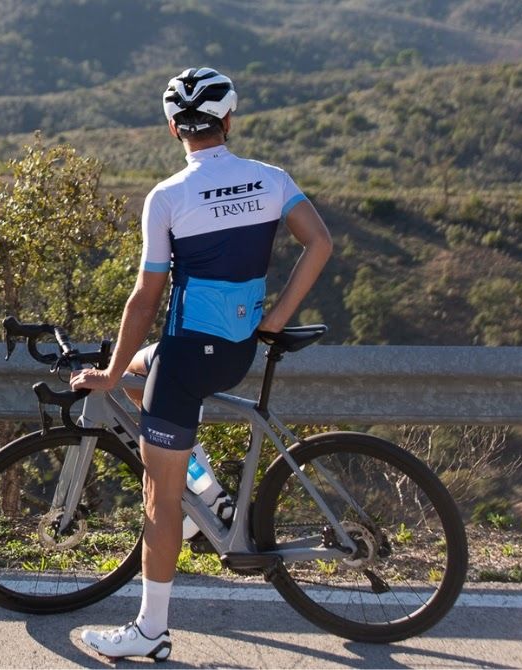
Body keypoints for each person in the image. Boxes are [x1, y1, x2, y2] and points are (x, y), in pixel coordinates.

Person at [69, 67, 332, 661]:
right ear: (228, 120)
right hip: (236, 352)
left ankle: (150, 631)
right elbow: (321, 242)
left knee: (156, 501)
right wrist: (275, 318)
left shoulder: (167, 197)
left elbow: (145, 298)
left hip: (187, 359)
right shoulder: (270, 180)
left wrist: (106, 375)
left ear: (173, 129)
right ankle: (206, 490)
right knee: (142, 370)